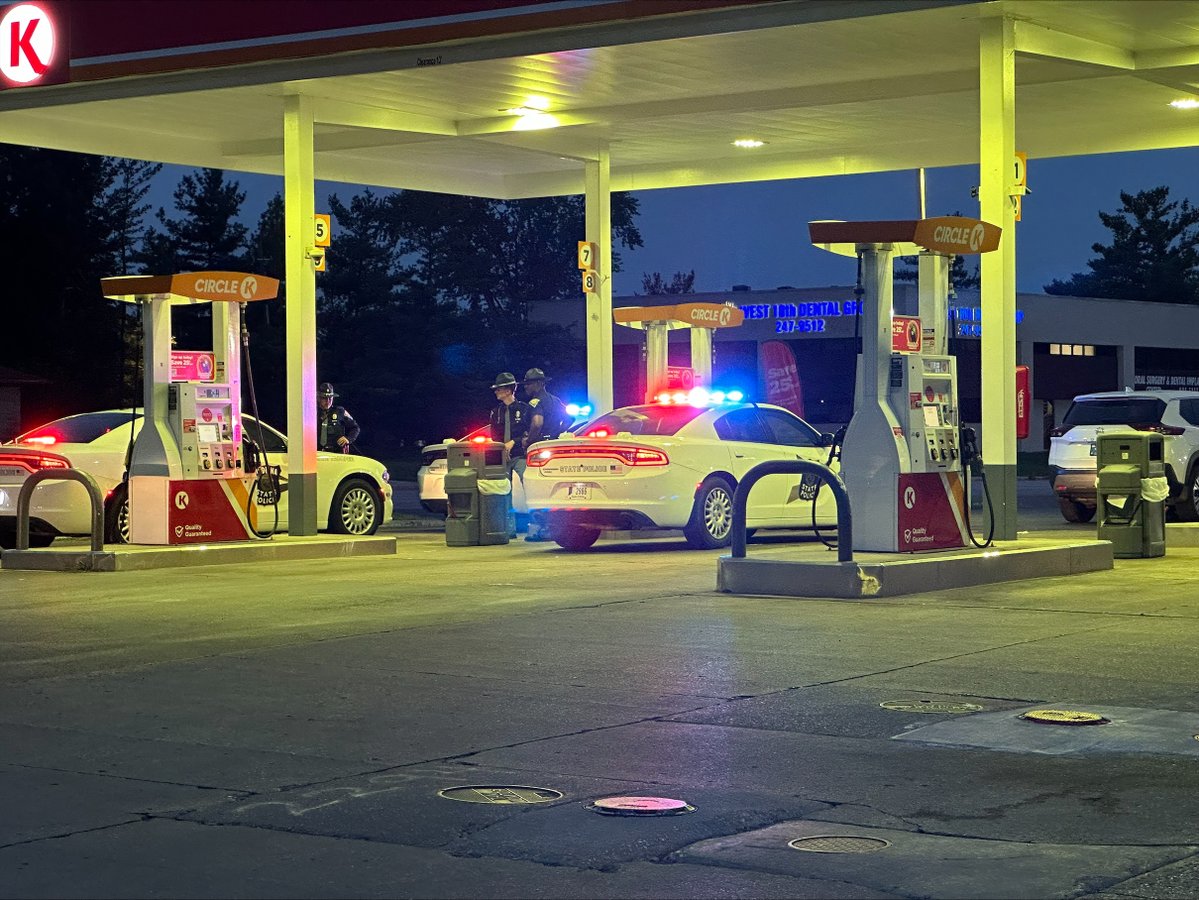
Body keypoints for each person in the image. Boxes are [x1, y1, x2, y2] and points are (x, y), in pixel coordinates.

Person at [521, 367, 571, 541]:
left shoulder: (536, 402)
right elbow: (570, 419)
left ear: (539, 384)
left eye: (529, 383)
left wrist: (529, 441)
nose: (526, 387)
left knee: (538, 487)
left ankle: (540, 530)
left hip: (540, 447)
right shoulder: (556, 400)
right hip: (554, 446)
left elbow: (536, 423)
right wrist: (557, 433)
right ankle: (554, 527)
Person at [488, 372, 534, 536]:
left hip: (519, 454)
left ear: (508, 390)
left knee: (529, 487)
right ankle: (508, 529)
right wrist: (500, 448)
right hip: (503, 457)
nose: (496, 392)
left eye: (499, 389)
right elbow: (494, 436)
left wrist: (514, 441)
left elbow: (528, 431)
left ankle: (535, 526)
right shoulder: (496, 412)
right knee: (504, 492)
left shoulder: (524, 409)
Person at [317, 382, 360, 452]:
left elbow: (355, 428)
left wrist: (348, 439)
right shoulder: (312, 412)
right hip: (315, 452)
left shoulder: (340, 411)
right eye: (324, 398)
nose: (328, 401)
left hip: (336, 453)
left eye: (330, 398)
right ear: (318, 398)